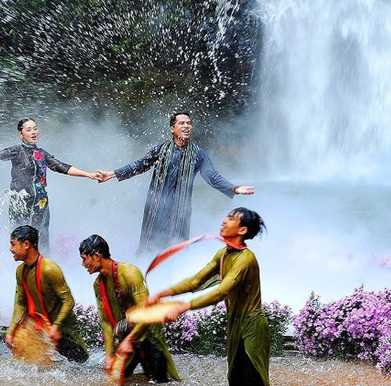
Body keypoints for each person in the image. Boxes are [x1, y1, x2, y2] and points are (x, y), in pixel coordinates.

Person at [97, 113, 255, 253]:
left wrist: (234, 188)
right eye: (182, 123)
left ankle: (174, 278)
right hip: (156, 207)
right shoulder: (161, 149)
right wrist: (112, 174)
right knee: (149, 245)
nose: (186, 126)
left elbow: (212, 176)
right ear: (172, 129)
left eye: (189, 123)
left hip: (181, 210)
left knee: (177, 247)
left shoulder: (198, 154)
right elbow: (139, 165)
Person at [148, 208, 270, 386]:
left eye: (230, 218)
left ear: (242, 230)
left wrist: (184, 306)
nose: (224, 221)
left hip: (252, 325)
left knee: (251, 377)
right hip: (235, 322)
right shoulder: (223, 254)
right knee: (235, 377)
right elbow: (196, 280)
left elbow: (221, 292)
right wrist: (161, 294)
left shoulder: (246, 259)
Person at [0, 118, 98, 253]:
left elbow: (62, 167)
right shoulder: (17, 151)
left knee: (42, 242)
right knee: (21, 243)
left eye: (35, 128)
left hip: (41, 206)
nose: (33, 132)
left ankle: (44, 269)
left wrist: (88, 175)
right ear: (20, 134)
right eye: (28, 130)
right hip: (20, 205)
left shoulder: (42, 154)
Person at [79, 234, 179, 382]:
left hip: (148, 336)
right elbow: (105, 322)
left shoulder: (129, 272)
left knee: (159, 381)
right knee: (117, 379)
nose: (83, 264)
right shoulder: (98, 285)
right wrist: (108, 356)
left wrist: (128, 340)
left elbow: (146, 312)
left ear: (97, 256)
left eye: (84, 258)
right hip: (127, 340)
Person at [7, 225, 88, 363]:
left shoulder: (49, 268)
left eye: (13, 244)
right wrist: (11, 330)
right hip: (42, 329)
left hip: (63, 332)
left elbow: (68, 301)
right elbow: (20, 303)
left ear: (26, 244)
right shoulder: (20, 271)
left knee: (78, 368)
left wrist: (56, 326)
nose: (11, 249)